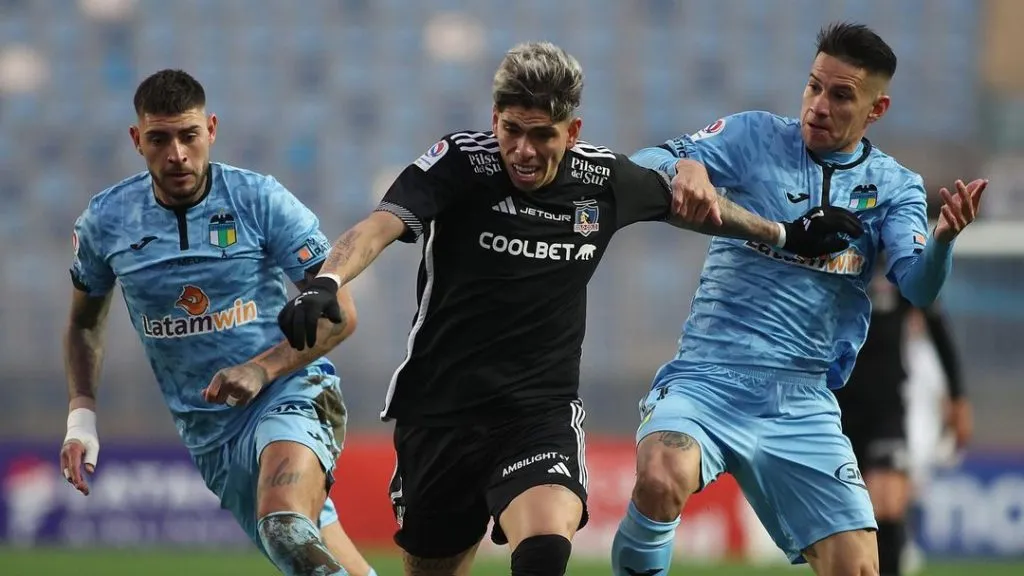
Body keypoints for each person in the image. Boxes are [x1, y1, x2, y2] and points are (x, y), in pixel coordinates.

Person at [275, 42, 860, 576]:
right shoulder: (460, 161)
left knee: (546, 547)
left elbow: (698, 209)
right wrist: (326, 281)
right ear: (494, 119)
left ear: (573, 130)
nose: (524, 151)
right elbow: (379, 226)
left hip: (537, 412)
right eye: (511, 130)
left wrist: (783, 234)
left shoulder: (602, 180)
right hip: (440, 413)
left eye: (543, 135)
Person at [612, 22, 987, 576]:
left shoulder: (894, 186)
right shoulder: (753, 137)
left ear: (875, 109)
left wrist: (944, 243)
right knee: (661, 471)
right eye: (814, 86)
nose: (818, 105)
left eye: (841, 96)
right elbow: (639, 164)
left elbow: (918, 286)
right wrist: (683, 163)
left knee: (858, 566)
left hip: (802, 398)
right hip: (710, 377)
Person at [59, 69, 376, 576]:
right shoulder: (107, 222)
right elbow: (83, 324)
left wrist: (261, 369)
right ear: (137, 140)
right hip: (210, 435)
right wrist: (81, 420)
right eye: (159, 139)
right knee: (308, 553)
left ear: (211, 129)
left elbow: (341, 315)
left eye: (188, 136)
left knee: (286, 526)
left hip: (290, 392)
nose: (177, 154)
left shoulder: (259, 201)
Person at [833, 263, 972, 576]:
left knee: (887, 506)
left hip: (887, 408)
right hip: (836, 407)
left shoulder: (902, 263)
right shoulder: (835, 253)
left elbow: (937, 325)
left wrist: (958, 397)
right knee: (849, 522)